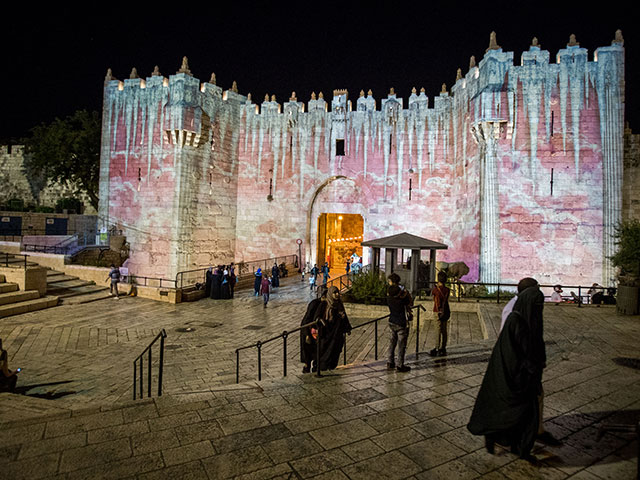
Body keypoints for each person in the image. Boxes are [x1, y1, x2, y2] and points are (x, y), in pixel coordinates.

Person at [467, 286, 548, 462]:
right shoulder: (516, 321)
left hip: (514, 377)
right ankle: (520, 449)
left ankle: (500, 440)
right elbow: (513, 354)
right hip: (516, 378)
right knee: (527, 415)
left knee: (511, 414)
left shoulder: (524, 320)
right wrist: (531, 367)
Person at [306, 286, 352, 371]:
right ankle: (318, 369)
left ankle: (330, 367)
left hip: (336, 335)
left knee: (334, 354)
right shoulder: (324, 304)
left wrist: (347, 328)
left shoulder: (339, 304)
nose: (337, 294)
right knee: (323, 354)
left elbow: (344, 317)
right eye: (335, 293)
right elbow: (316, 318)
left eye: (337, 292)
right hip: (325, 335)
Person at [386, 273, 413, 372]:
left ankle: (390, 362)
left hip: (392, 321)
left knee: (392, 343)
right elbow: (410, 302)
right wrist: (405, 293)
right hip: (401, 323)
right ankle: (400, 364)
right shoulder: (402, 298)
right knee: (401, 345)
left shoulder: (389, 298)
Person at [428, 271, 450, 356]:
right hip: (445, 311)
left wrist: (437, 287)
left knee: (437, 330)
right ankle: (443, 347)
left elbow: (434, 296)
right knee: (444, 330)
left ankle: (437, 347)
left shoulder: (436, 290)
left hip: (437, 311)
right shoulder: (447, 290)